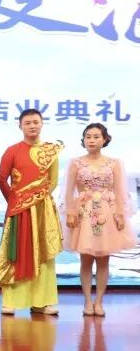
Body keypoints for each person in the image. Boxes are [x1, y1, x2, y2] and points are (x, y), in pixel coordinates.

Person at [0, 109, 63, 315]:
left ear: (42, 124)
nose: (32, 126)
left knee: (43, 252)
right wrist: (15, 200)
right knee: (16, 252)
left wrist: (37, 199)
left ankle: (42, 302)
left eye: (35, 122)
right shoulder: (12, 151)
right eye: (27, 123)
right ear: (20, 126)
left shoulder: (50, 151)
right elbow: (2, 179)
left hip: (42, 209)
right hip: (19, 210)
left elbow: (53, 181)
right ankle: (11, 301)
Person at [63, 123, 135, 317]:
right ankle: (87, 301)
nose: (91, 140)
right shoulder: (76, 163)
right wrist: (70, 212)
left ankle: (99, 302)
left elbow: (120, 192)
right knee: (85, 259)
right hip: (84, 214)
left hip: (107, 214)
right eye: (88, 136)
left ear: (104, 139)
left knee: (104, 259)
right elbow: (68, 191)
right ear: (83, 140)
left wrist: (120, 215)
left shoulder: (114, 163)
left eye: (96, 136)